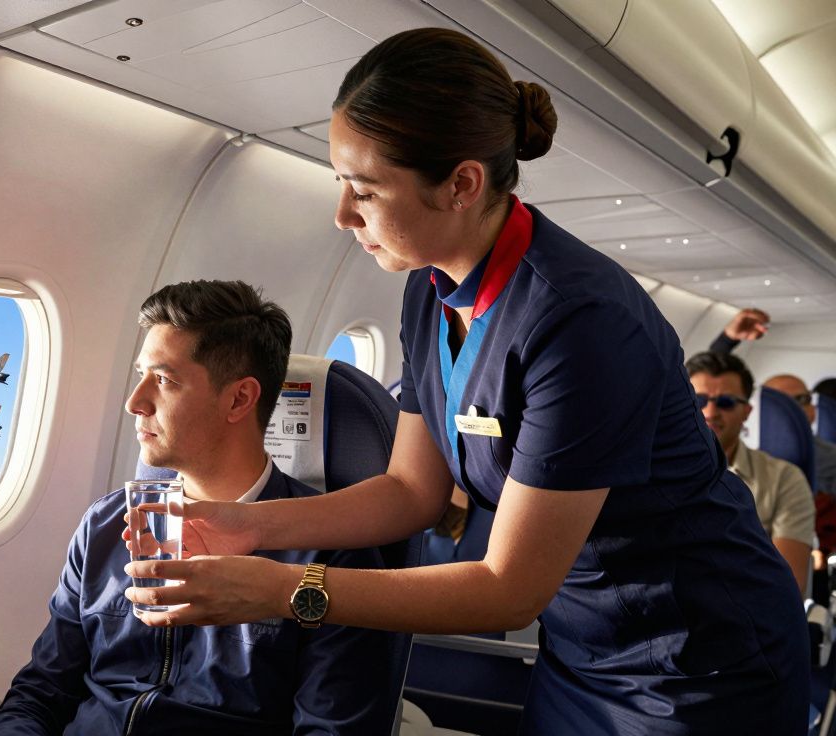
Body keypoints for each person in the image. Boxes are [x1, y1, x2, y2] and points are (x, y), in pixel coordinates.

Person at [123, 28, 808, 734]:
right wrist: (246, 524)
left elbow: (508, 590)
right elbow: (410, 491)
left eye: (365, 190)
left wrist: (284, 590)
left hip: (702, 656)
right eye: (340, 184)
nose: (342, 214)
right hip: (578, 644)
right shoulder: (428, 293)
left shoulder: (581, 323)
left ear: (461, 185)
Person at [0, 280, 402, 735]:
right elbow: (40, 694)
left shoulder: (331, 552)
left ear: (239, 399)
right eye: (140, 375)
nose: (134, 402)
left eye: (164, 380)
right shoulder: (105, 526)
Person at [685, 351, 815, 591]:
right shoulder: (652, 472)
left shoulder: (783, 479)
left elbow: (787, 585)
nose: (710, 412)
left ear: (746, 411)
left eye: (726, 402)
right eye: (699, 400)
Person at [708, 307, 836, 496]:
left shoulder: (826, 458)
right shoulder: (735, 443)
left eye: (805, 399)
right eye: (783, 405)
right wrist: (726, 340)